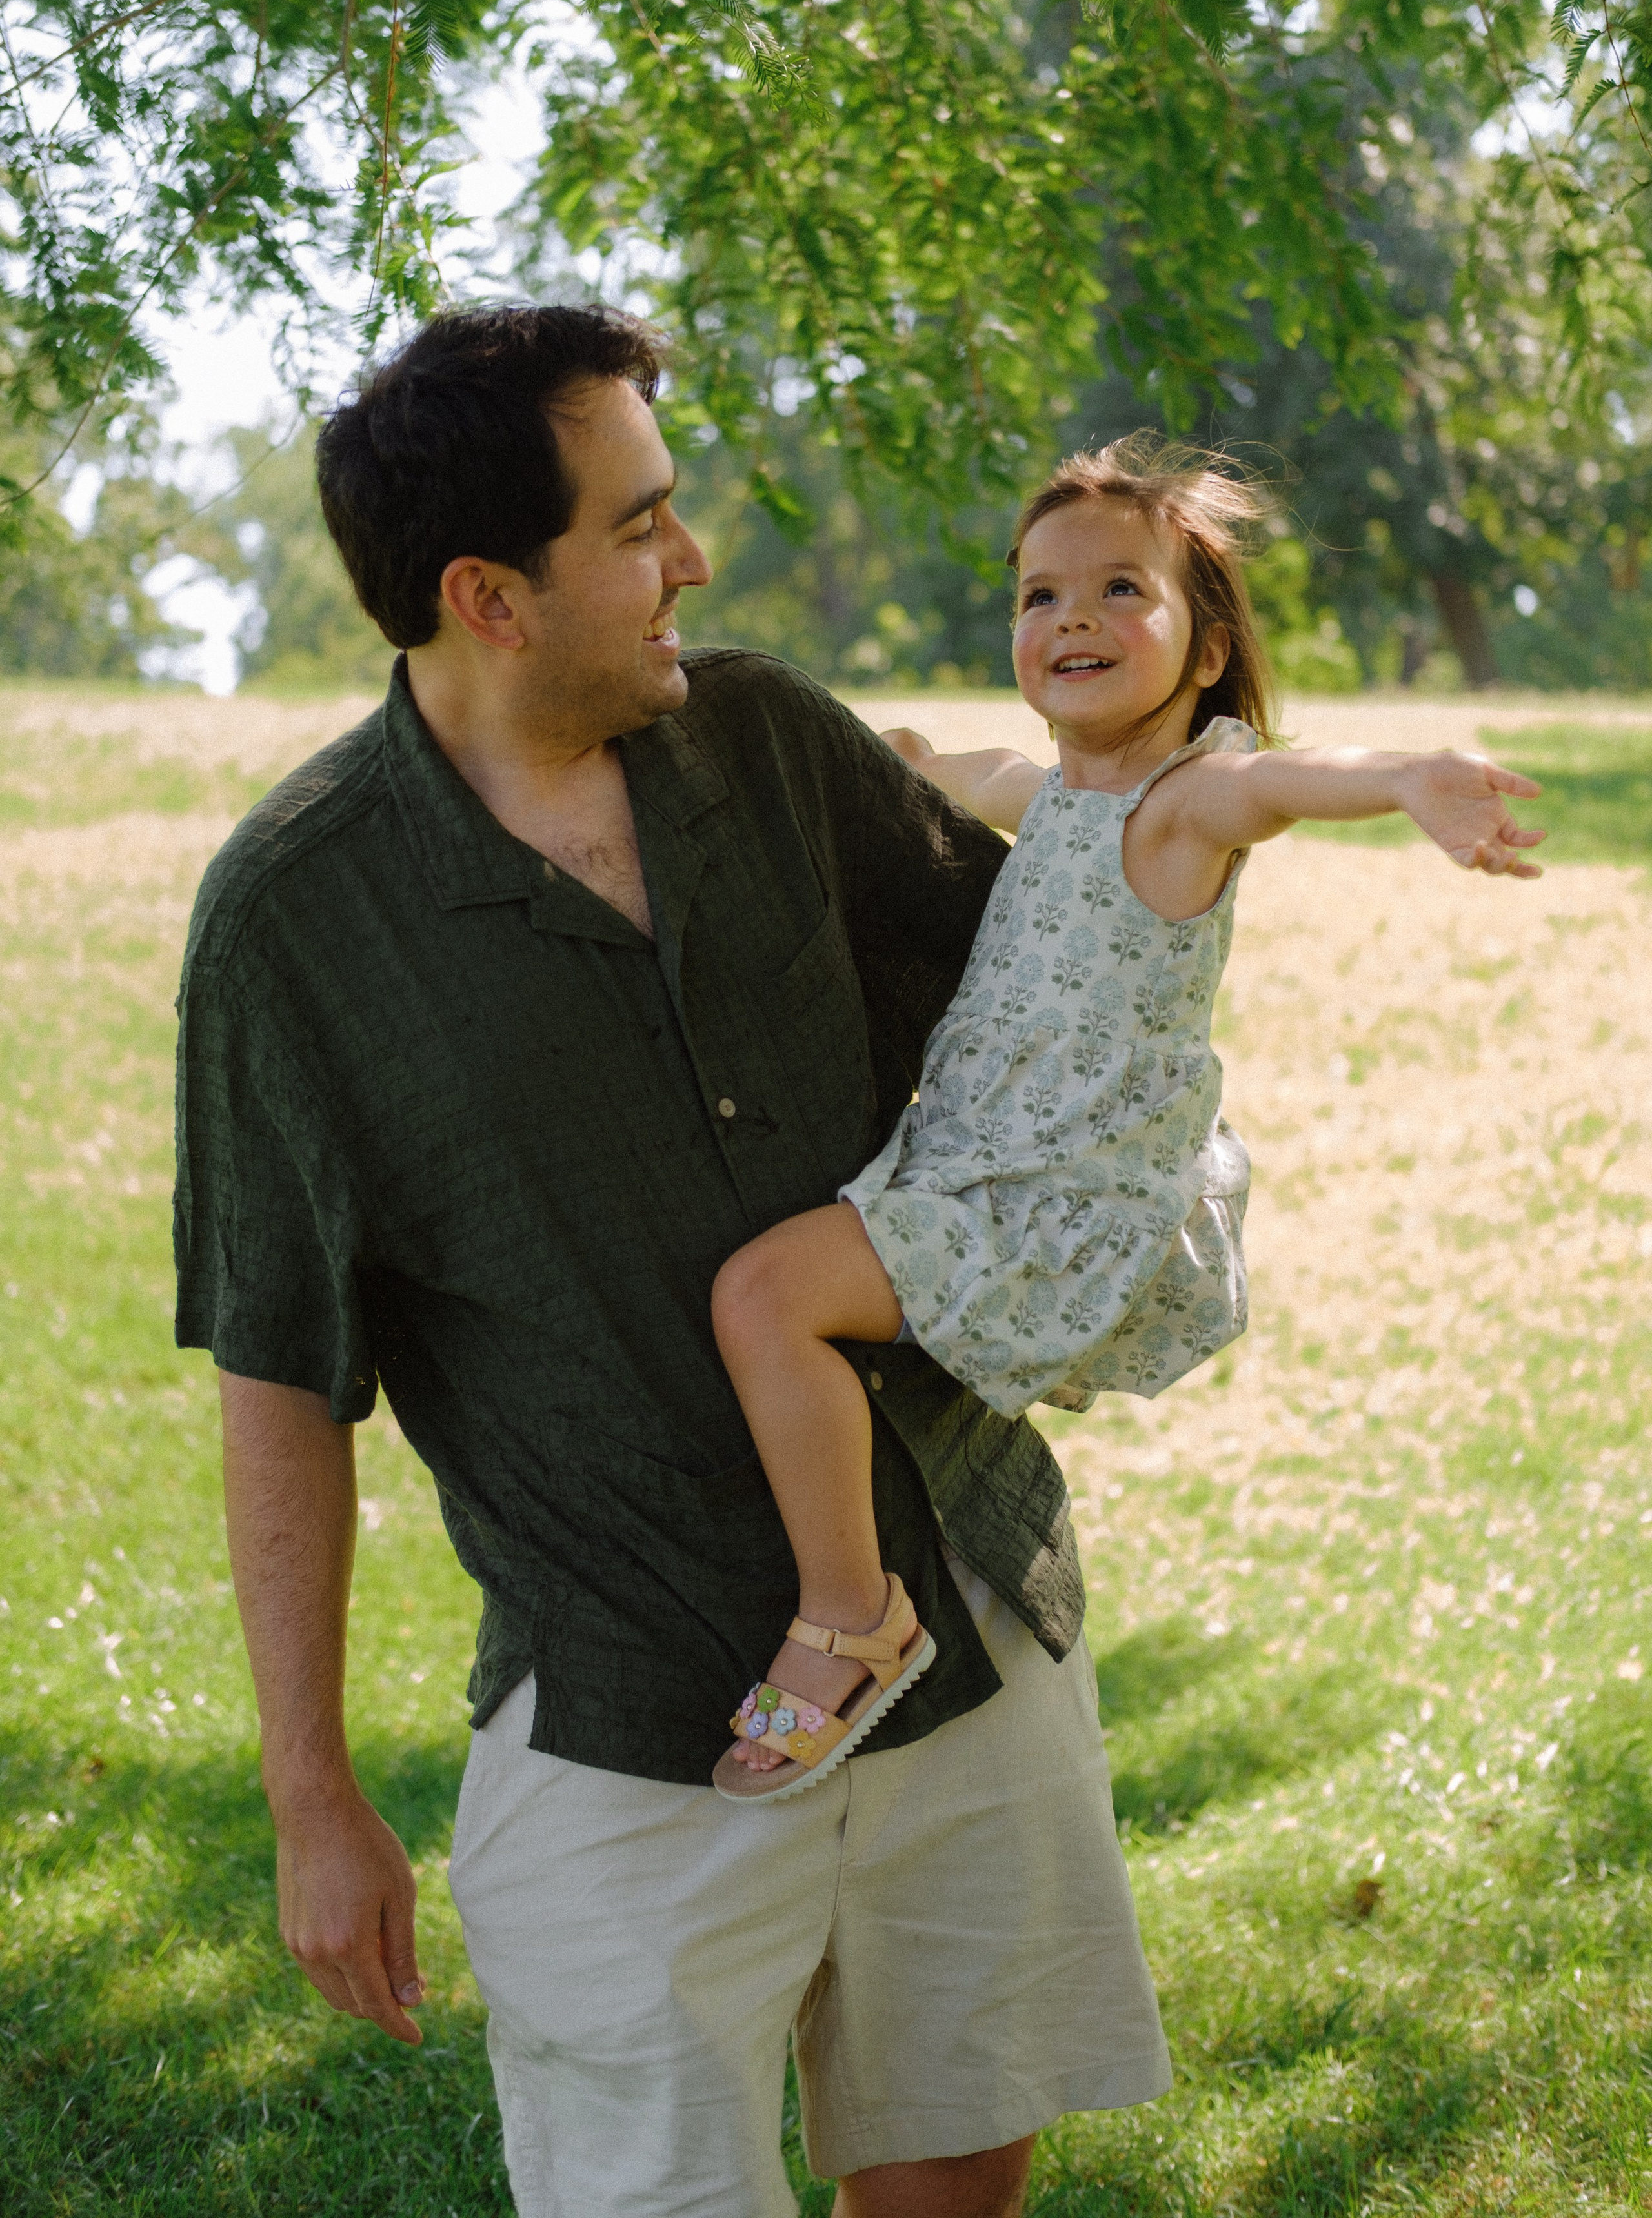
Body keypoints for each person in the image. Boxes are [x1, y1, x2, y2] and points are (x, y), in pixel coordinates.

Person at [174, 307, 1176, 2218]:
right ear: (489, 594)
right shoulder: (293, 929)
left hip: (960, 1625)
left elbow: (1049, 969)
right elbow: (275, 1377)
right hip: (629, 1729)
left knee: (961, 2179)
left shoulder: (770, 744)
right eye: (638, 527)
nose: (691, 561)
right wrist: (314, 1793)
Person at [710, 438, 1546, 1797]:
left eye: (1119, 591)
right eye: (1038, 597)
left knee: (761, 1299)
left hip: (1045, 1205)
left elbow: (1274, 783)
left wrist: (1399, 776)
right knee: (771, 1299)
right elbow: (914, 767)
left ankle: (851, 1619)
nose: (1072, 618)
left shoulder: (1177, 810)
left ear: (1205, 649)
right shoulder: (1040, 797)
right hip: (967, 1170)